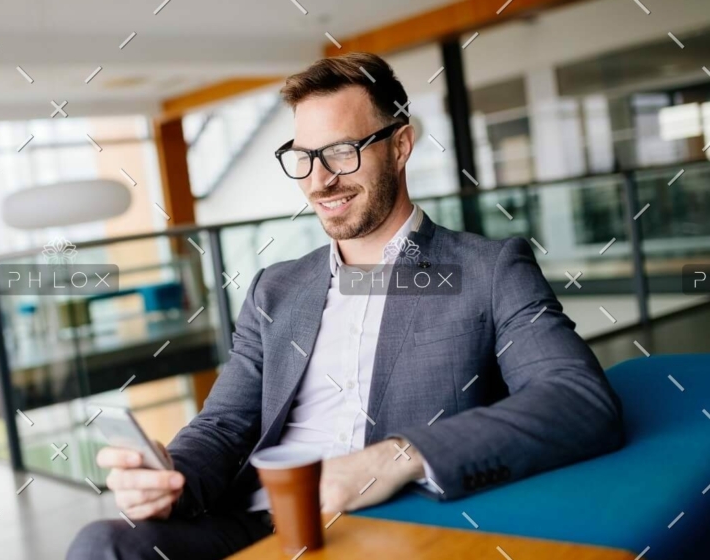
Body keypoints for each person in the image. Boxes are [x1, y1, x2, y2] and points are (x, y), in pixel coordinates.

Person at [67, 52, 624, 560]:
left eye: (342, 150)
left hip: (390, 526)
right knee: (103, 543)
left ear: (400, 146)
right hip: (261, 522)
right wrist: (169, 477)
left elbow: (578, 401)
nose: (320, 179)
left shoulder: (486, 269)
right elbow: (224, 425)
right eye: (304, 157)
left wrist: (394, 457)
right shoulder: (276, 289)